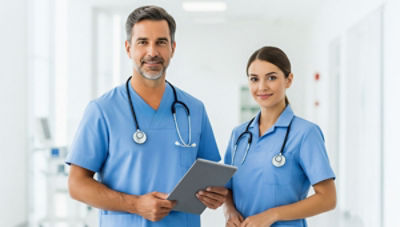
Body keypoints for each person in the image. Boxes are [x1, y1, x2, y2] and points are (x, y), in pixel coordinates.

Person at [66, 5, 228, 227]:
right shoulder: (102, 110)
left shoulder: (194, 109)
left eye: (161, 42)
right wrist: (134, 204)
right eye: (143, 42)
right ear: (128, 48)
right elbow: (76, 185)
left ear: (172, 48)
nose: (152, 52)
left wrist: (215, 195)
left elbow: (210, 180)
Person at [223, 46, 336, 227]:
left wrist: (272, 215)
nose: (262, 87)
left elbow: (328, 198)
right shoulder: (239, 135)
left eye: (272, 77)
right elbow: (227, 188)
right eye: (254, 79)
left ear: (288, 80)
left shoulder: (305, 133)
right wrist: (230, 212)